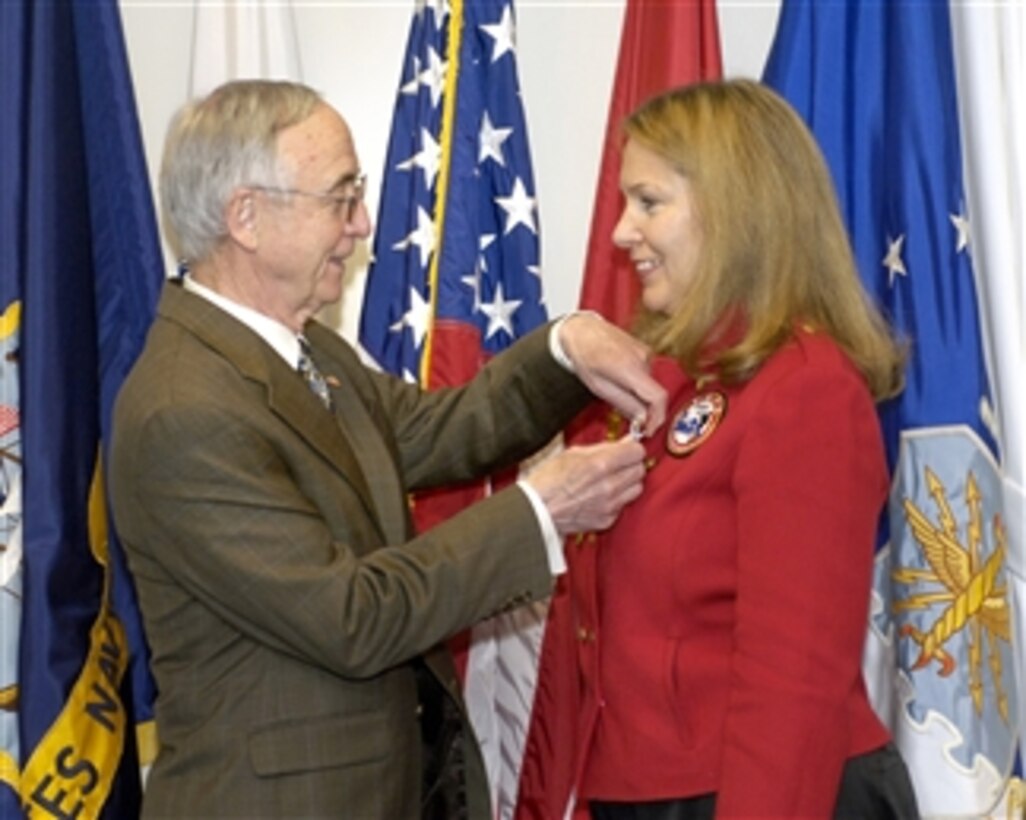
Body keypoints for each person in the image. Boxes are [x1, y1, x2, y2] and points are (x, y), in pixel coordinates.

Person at [108, 79, 667, 819]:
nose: (364, 224)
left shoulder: (307, 354)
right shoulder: (186, 407)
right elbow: (351, 616)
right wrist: (540, 512)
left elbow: (447, 429)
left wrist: (566, 348)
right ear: (245, 216)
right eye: (340, 199)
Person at [557, 79, 919, 819]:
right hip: (641, 793)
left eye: (649, 202)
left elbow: (793, 681)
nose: (623, 232)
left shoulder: (805, 388)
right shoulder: (666, 383)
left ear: (735, 213)